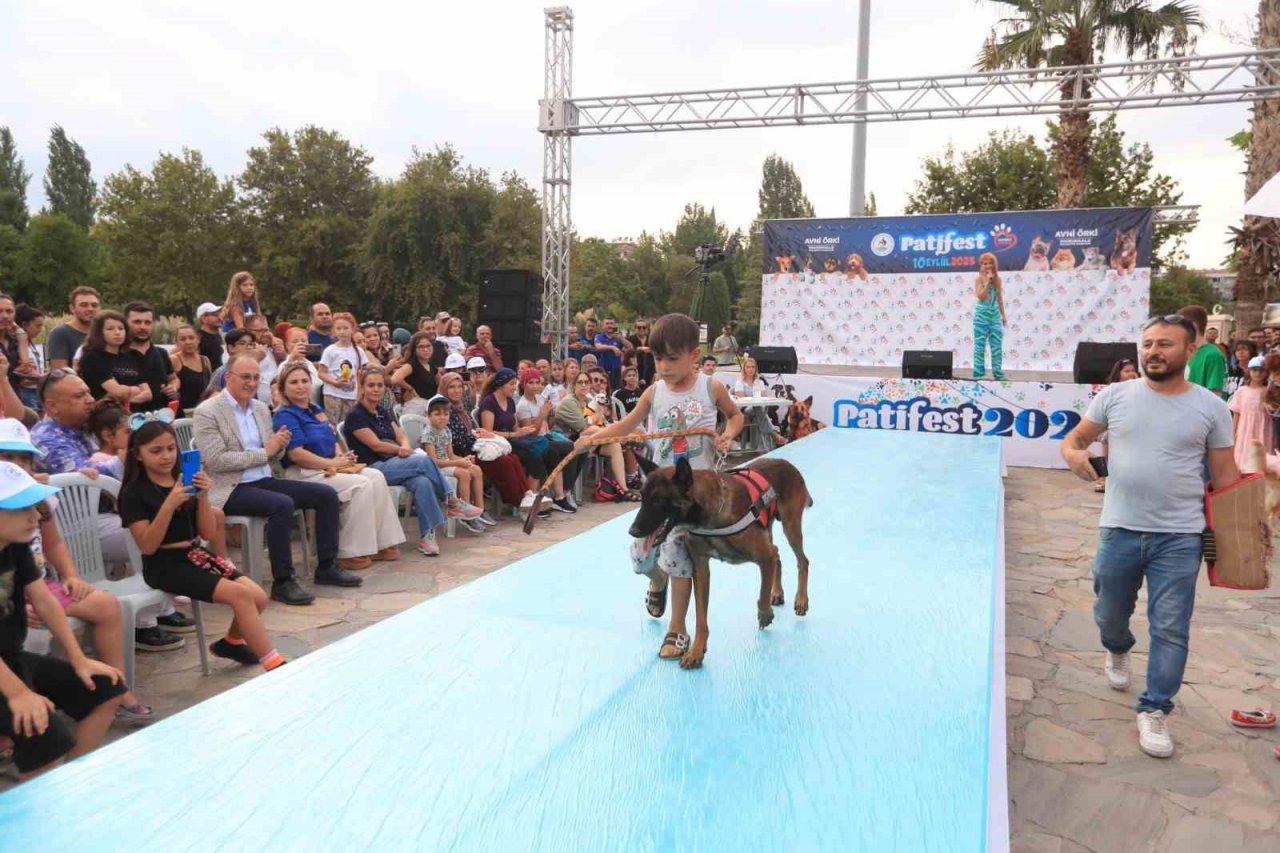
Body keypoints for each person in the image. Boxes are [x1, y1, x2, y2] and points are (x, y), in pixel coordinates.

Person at [1060, 313, 1238, 759]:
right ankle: (1118, 647)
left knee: (1171, 628)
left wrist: (1245, 525)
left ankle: (1155, 708)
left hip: (1180, 537)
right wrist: (1073, 457)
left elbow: (1225, 477)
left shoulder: (1211, 407)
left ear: (1190, 351)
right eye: (1149, 343)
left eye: (1166, 345)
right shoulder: (1115, 397)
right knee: (1108, 613)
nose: (1154, 352)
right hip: (1119, 527)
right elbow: (1075, 440)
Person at [576, 313, 743, 661]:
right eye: (657, 358)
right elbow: (625, 424)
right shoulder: (654, 393)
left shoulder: (711, 387)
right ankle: (657, 581)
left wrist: (727, 435)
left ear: (693, 356)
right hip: (659, 492)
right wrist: (593, 437)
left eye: (672, 358)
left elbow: (736, 415)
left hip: (693, 497)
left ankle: (677, 629)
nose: (663, 366)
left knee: (678, 552)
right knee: (641, 558)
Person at [0, 419, 153, 726]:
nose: (18, 465)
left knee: (107, 604)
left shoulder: (37, 497)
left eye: (24, 459)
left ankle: (115, 689)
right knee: (27, 632)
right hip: (13, 594)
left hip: (40, 583)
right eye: (8, 457)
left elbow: (53, 543)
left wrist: (72, 575)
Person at [30, 372, 191, 650]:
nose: (90, 400)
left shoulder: (83, 428)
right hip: (74, 524)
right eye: (79, 396)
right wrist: (127, 456)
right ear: (52, 406)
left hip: (105, 513)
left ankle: (158, 606)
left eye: (88, 393)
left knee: (170, 523)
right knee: (148, 535)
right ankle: (144, 623)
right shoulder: (47, 438)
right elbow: (87, 481)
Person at [193, 353, 361, 604]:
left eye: (256, 378)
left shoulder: (260, 408)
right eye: (245, 377)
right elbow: (217, 460)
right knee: (281, 504)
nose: (251, 383)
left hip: (264, 478)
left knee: (325, 494)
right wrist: (267, 451)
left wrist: (279, 445)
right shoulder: (208, 411)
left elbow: (275, 453)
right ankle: (283, 581)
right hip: (231, 486)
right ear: (228, 377)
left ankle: (327, 567)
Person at [120, 418, 286, 672]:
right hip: (164, 564)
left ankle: (231, 642)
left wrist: (203, 496)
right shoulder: (134, 492)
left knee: (259, 597)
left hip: (195, 555)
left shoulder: (183, 480)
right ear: (138, 455)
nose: (166, 456)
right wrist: (169, 504)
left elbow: (207, 531)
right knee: (240, 595)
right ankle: (274, 664)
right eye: (156, 451)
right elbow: (147, 546)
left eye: (171, 449)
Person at [0, 460, 125, 779]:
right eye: (20, 508)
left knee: (107, 687)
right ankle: (37, 811)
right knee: (43, 730)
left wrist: (79, 658)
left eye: (36, 506)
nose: (36, 516)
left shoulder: (15, 547)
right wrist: (18, 694)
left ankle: (65, 785)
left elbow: (43, 599)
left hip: (11, 658)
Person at [272, 362, 405, 570]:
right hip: (303, 472)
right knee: (360, 484)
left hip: (328, 467)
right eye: (294, 382)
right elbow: (297, 454)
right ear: (283, 388)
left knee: (376, 476)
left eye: (304, 381)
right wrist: (331, 463)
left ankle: (381, 544)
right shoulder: (285, 415)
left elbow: (332, 437)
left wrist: (342, 457)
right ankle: (348, 552)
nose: (300, 386)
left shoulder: (316, 409)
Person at [344, 366, 478, 556]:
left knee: (423, 482)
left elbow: (401, 435)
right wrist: (401, 450)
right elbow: (375, 445)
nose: (376, 389)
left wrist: (405, 447)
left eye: (380, 385)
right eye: (371, 385)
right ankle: (452, 500)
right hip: (373, 467)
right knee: (423, 462)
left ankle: (426, 536)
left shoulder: (382, 410)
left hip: (396, 462)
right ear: (363, 387)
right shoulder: (355, 415)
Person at [480, 367, 574, 513]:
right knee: (534, 457)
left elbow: (515, 427)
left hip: (512, 440)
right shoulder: (489, 402)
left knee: (551, 452)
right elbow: (488, 432)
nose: (514, 387)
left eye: (515, 383)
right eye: (511, 384)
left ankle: (559, 497)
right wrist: (515, 434)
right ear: (501, 384)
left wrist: (520, 432)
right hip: (498, 443)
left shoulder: (510, 402)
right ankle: (529, 501)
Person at [439, 371, 532, 515]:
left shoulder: (461, 408)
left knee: (512, 458)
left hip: (476, 448)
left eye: (459, 386)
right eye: (452, 387)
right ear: (444, 389)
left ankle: (527, 495)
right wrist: (477, 437)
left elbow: (470, 431)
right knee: (505, 462)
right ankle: (519, 502)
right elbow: (454, 440)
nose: (457, 390)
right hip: (462, 455)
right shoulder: (443, 411)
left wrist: (481, 433)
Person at [555, 370, 637, 502]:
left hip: (591, 439)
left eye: (586, 382)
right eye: (580, 382)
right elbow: (582, 426)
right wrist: (600, 418)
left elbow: (602, 422)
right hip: (569, 441)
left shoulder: (590, 400)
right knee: (590, 429)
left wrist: (601, 418)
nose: (583, 385)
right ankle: (622, 436)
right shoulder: (569, 401)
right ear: (573, 385)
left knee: (614, 445)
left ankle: (624, 489)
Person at [421, 396, 491, 533]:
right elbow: (433, 462)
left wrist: (464, 460)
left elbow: (451, 455)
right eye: (437, 414)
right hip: (437, 468)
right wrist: (458, 463)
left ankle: (479, 510)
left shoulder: (446, 431)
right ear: (428, 415)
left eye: (445, 414)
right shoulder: (428, 434)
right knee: (463, 473)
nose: (442, 417)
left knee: (475, 469)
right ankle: (465, 512)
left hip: (448, 463)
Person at [77, 311, 150, 406]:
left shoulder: (130, 356)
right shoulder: (93, 357)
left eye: (121, 328)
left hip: (133, 415)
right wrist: (134, 390)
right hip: (104, 414)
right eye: (110, 329)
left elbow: (148, 394)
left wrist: (125, 395)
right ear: (100, 333)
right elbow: (117, 392)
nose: (117, 332)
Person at [123, 302, 180, 413]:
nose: (143, 327)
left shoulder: (161, 353)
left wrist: (173, 387)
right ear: (125, 323)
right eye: (137, 322)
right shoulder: (117, 355)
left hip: (164, 419)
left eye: (147, 322)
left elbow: (173, 378)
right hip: (131, 420)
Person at [317, 313, 364, 424]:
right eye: (338, 328)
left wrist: (359, 394)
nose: (342, 331)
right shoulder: (330, 350)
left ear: (352, 329)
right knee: (333, 424)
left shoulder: (358, 351)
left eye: (345, 328)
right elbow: (321, 373)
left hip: (351, 395)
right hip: (333, 395)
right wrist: (335, 382)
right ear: (334, 331)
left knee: (347, 424)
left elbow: (360, 374)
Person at [1229, 355, 1272, 472]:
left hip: (1263, 429)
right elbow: (1236, 414)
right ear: (1249, 372)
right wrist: (1233, 433)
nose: (1257, 373)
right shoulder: (1241, 391)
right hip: (1245, 430)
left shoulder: (1269, 391)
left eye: (1261, 370)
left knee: (1262, 457)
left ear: (1266, 372)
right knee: (1244, 455)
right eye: (1254, 370)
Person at [46, 287, 100, 371]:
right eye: (84, 305)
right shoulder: (60, 333)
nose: (90, 309)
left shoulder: (104, 332)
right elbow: (60, 372)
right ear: (72, 308)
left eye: (94, 305)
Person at [1178, 305, 1226, 399]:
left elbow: (1215, 394)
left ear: (1193, 325)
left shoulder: (1213, 355)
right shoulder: (1183, 351)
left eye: (1180, 324)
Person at [972, 252, 1007, 380]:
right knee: (979, 347)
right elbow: (980, 296)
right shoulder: (978, 279)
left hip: (995, 317)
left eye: (990, 263)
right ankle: (978, 373)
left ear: (994, 264)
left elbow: (999, 298)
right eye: (985, 263)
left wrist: (1003, 315)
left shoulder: (998, 280)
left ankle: (998, 373)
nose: (988, 266)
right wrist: (987, 282)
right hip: (981, 318)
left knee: (997, 346)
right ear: (981, 265)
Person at [391, 331, 443, 413]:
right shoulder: (412, 365)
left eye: (428, 346)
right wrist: (410, 389)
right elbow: (395, 379)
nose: (425, 349)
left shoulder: (431, 366)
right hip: (415, 408)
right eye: (421, 347)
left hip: (430, 407)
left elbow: (442, 383)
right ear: (414, 350)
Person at [169, 325, 212, 414]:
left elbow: (209, 386)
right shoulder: (174, 360)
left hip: (204, 411)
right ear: (176, 342)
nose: (188, 342)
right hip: (183, 412)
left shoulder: (205, 360)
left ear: (198, 340)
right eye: (183, 339)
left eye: (191, 338)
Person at [12, 305, 45, 411]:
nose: (40, 330)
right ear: (24, 325)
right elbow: (23, 374)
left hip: (35, 390)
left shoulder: (30, 344)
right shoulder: (17, 345)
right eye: (38, 326)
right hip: (26, 392)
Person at [593, 317, 629, 388]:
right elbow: (598, 346)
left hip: (616, 371)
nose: (609, 326)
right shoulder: (599, 336)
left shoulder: (618, 338)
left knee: (616, 390)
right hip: (603, 370)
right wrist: (612, 348)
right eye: (607, 324)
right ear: (603, 326)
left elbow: (630, 347)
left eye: (611, 324)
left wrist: (621, 338)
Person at [194, 302, 225, 369]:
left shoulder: (217, 336)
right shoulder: (197, 337)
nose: (219, 317)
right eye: (215, 315)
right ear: (204, 319)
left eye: (220, 314)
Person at [627, 318, 655, 387]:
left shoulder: (652, 339)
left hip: (651, 369)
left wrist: (650, 350)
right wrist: (637, 349)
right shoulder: (630, 339)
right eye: (639, 328)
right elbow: (626, 353)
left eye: (644, 328)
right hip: (636, 369)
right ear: (635, 329)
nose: (642, 329)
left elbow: (659, 351)